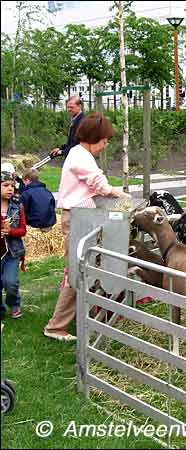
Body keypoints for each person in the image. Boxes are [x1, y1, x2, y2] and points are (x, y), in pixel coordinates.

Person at [43, 113, 130, 342]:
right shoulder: (80, 156)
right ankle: (55, 326)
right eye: (104, 140)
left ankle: (92, 313)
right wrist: (119, 194)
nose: (106, 144)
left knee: (86, 270)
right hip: (76, 219)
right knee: (77, 273)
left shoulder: (80, 154)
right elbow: (97, 183)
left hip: (83, 218)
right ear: (94, 137)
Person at [1, 171, 27, 320]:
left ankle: (14, 303)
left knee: (10, 282)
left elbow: (23, 230)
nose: (10, 188)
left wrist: (11, 231)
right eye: (5, 185)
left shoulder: (18, 206)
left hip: (12, 252)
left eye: (12, 185)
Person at [49, 96, 85, 160]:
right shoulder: (75, 120)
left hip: (78, 159)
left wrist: (62, 152)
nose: (69, 109)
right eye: (68, 107)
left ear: (79, 106)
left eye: (71, 107)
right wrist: (61, 148)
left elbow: (78, 144)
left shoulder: (81, 122)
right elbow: (72, 142)